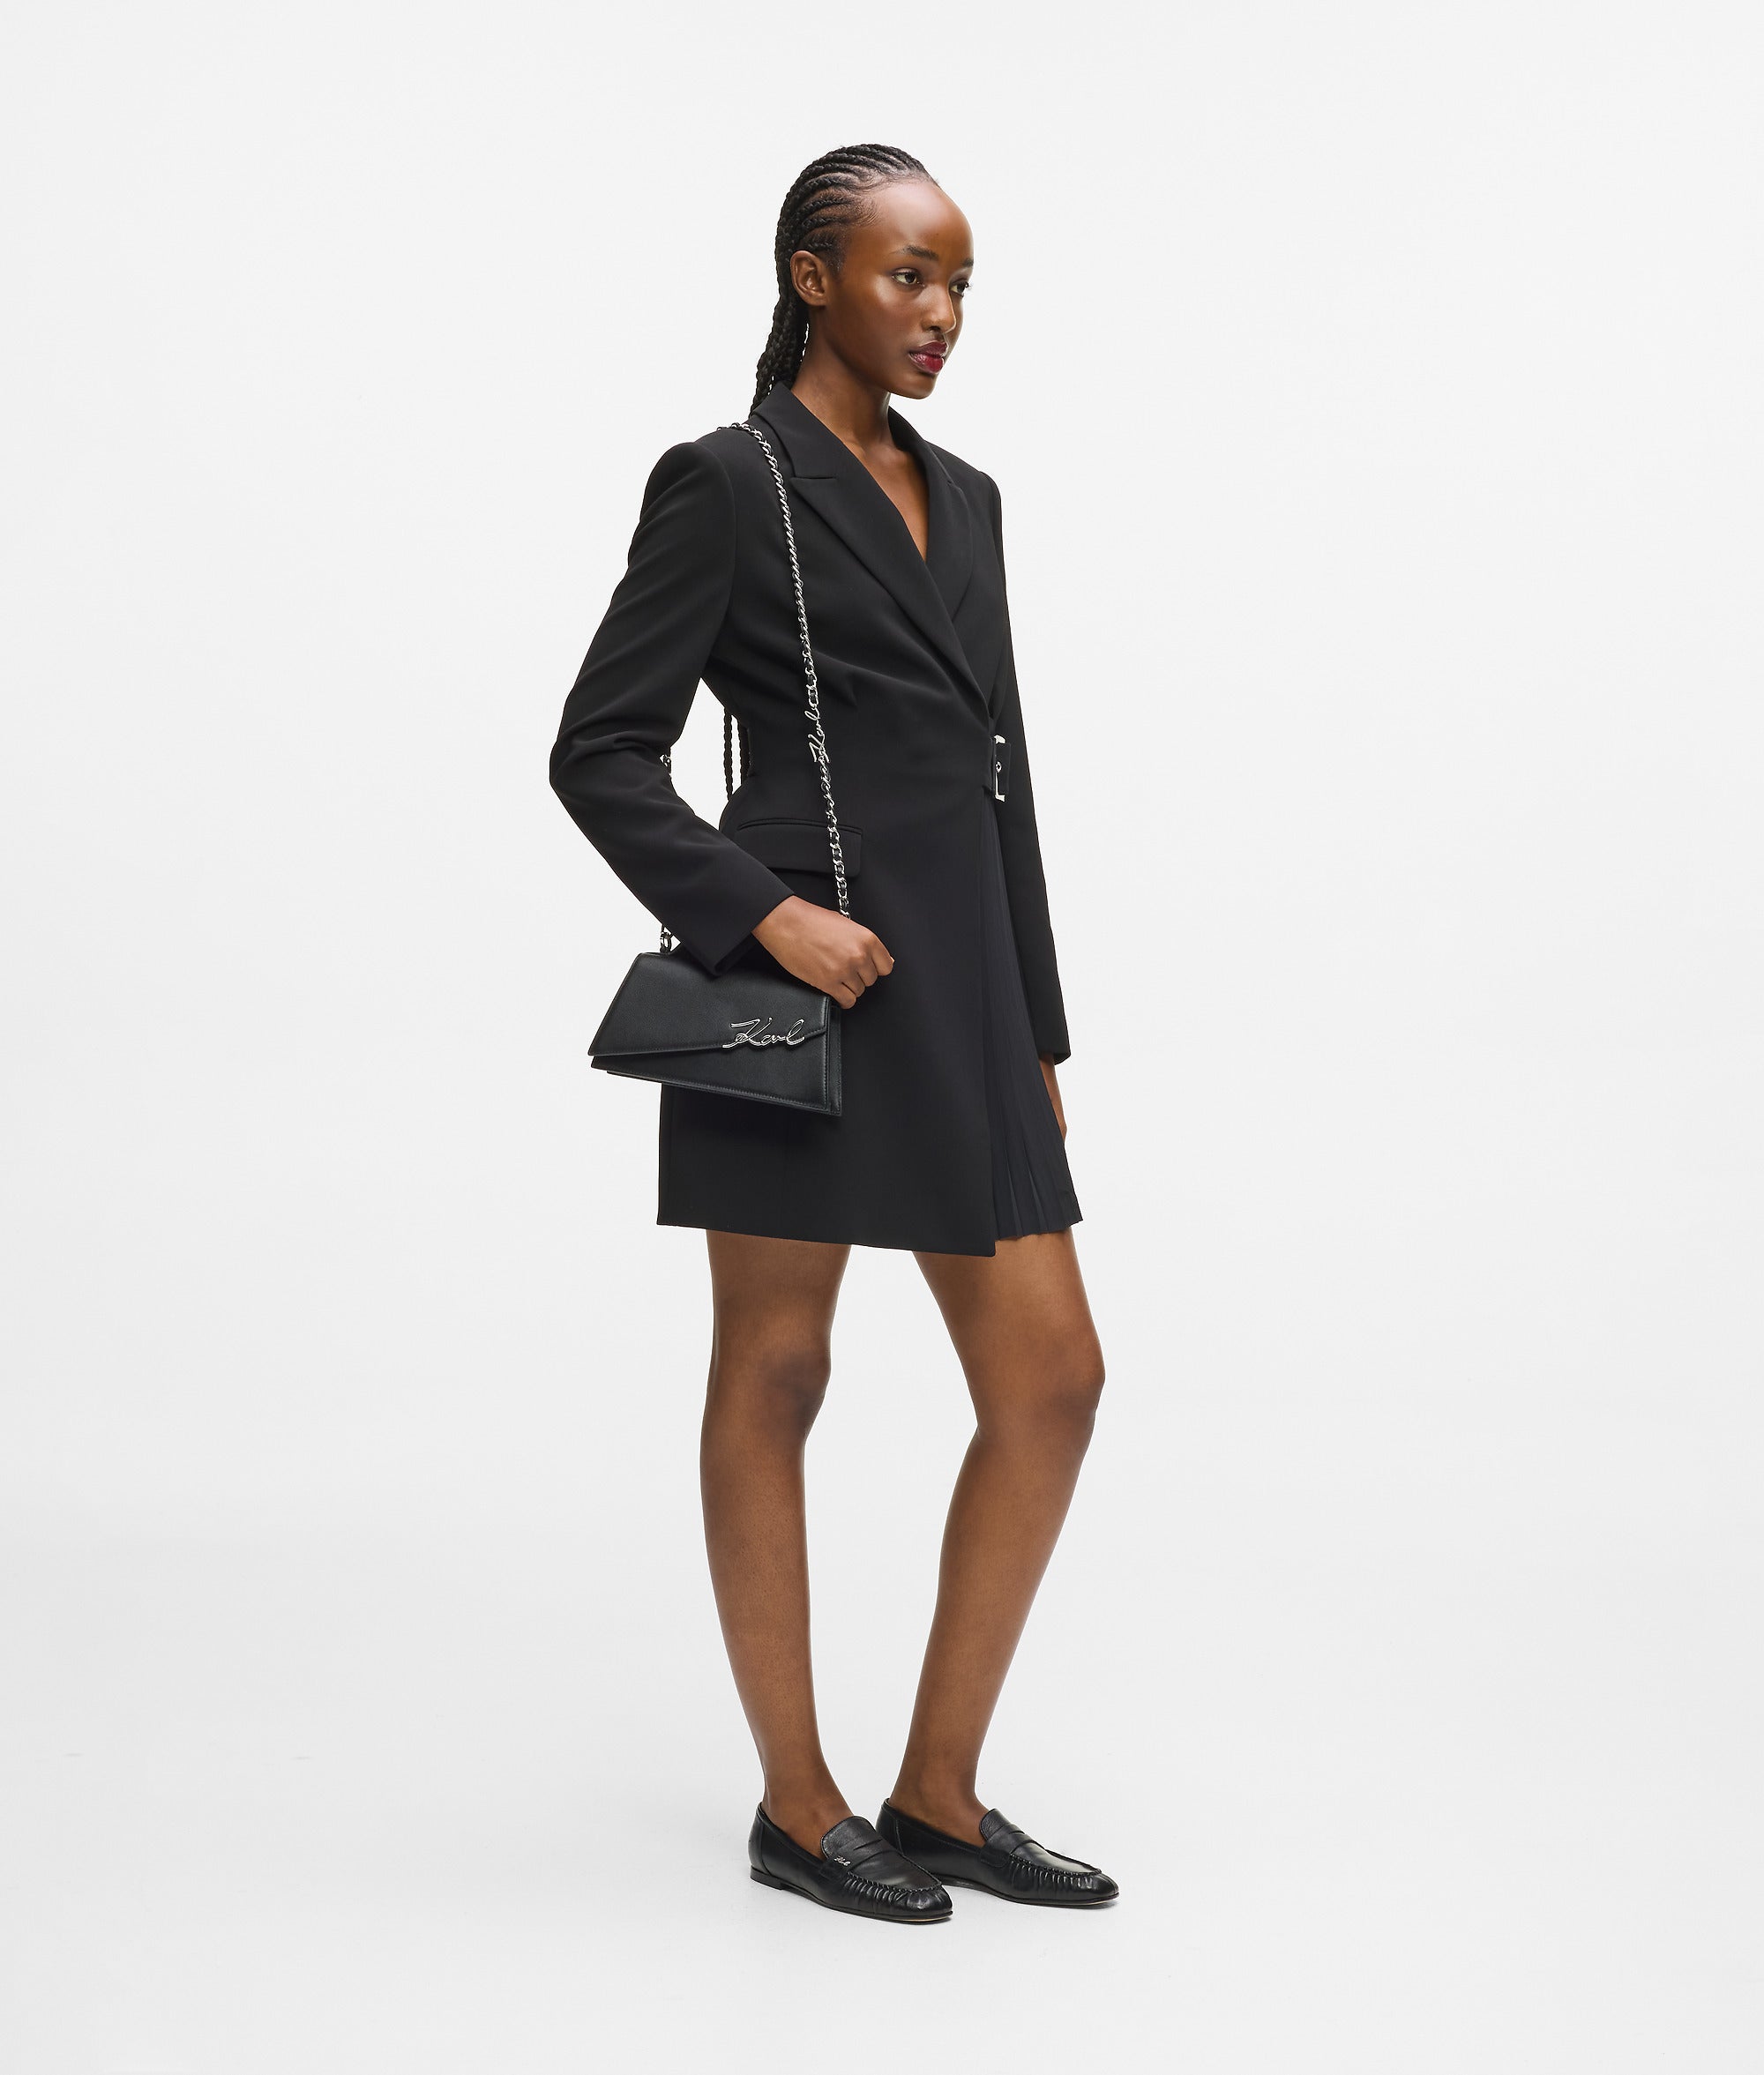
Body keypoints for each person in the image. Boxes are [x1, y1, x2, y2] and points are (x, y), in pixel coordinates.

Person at [549, 144, 1116, 1923]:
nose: (940, 314)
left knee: (1053, 1378)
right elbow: (600, 749)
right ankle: (798, 1807)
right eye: (907, 275)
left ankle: (936, 1791)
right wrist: (761, 914)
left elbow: (1002, 777)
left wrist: (1036, 1028)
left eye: (959, 285)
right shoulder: (727, 482)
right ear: (813, 278)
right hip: (796, 986)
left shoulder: (974, 497)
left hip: (965, 988)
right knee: (779, 1370)